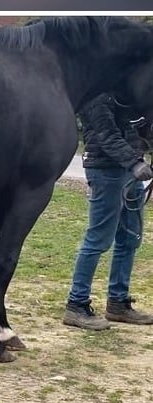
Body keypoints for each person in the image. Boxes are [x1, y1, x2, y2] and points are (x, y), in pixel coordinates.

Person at [63, 90, 153, 330]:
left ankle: (118, 303)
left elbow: (141, 126)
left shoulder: (126, 91)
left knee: (130, 238)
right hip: (106, 170)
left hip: (131, 170)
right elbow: (106, 134)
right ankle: (76, 304)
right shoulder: (96, 94)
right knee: (98, 239)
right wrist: (134, 163)